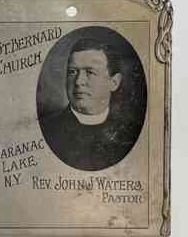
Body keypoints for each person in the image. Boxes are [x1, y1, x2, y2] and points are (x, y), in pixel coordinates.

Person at [40, 38, 139, 171]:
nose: (78, 81)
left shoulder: (130, 132)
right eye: (72, 72)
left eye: (90, 72)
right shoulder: (47, 130)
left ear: (114, 82)